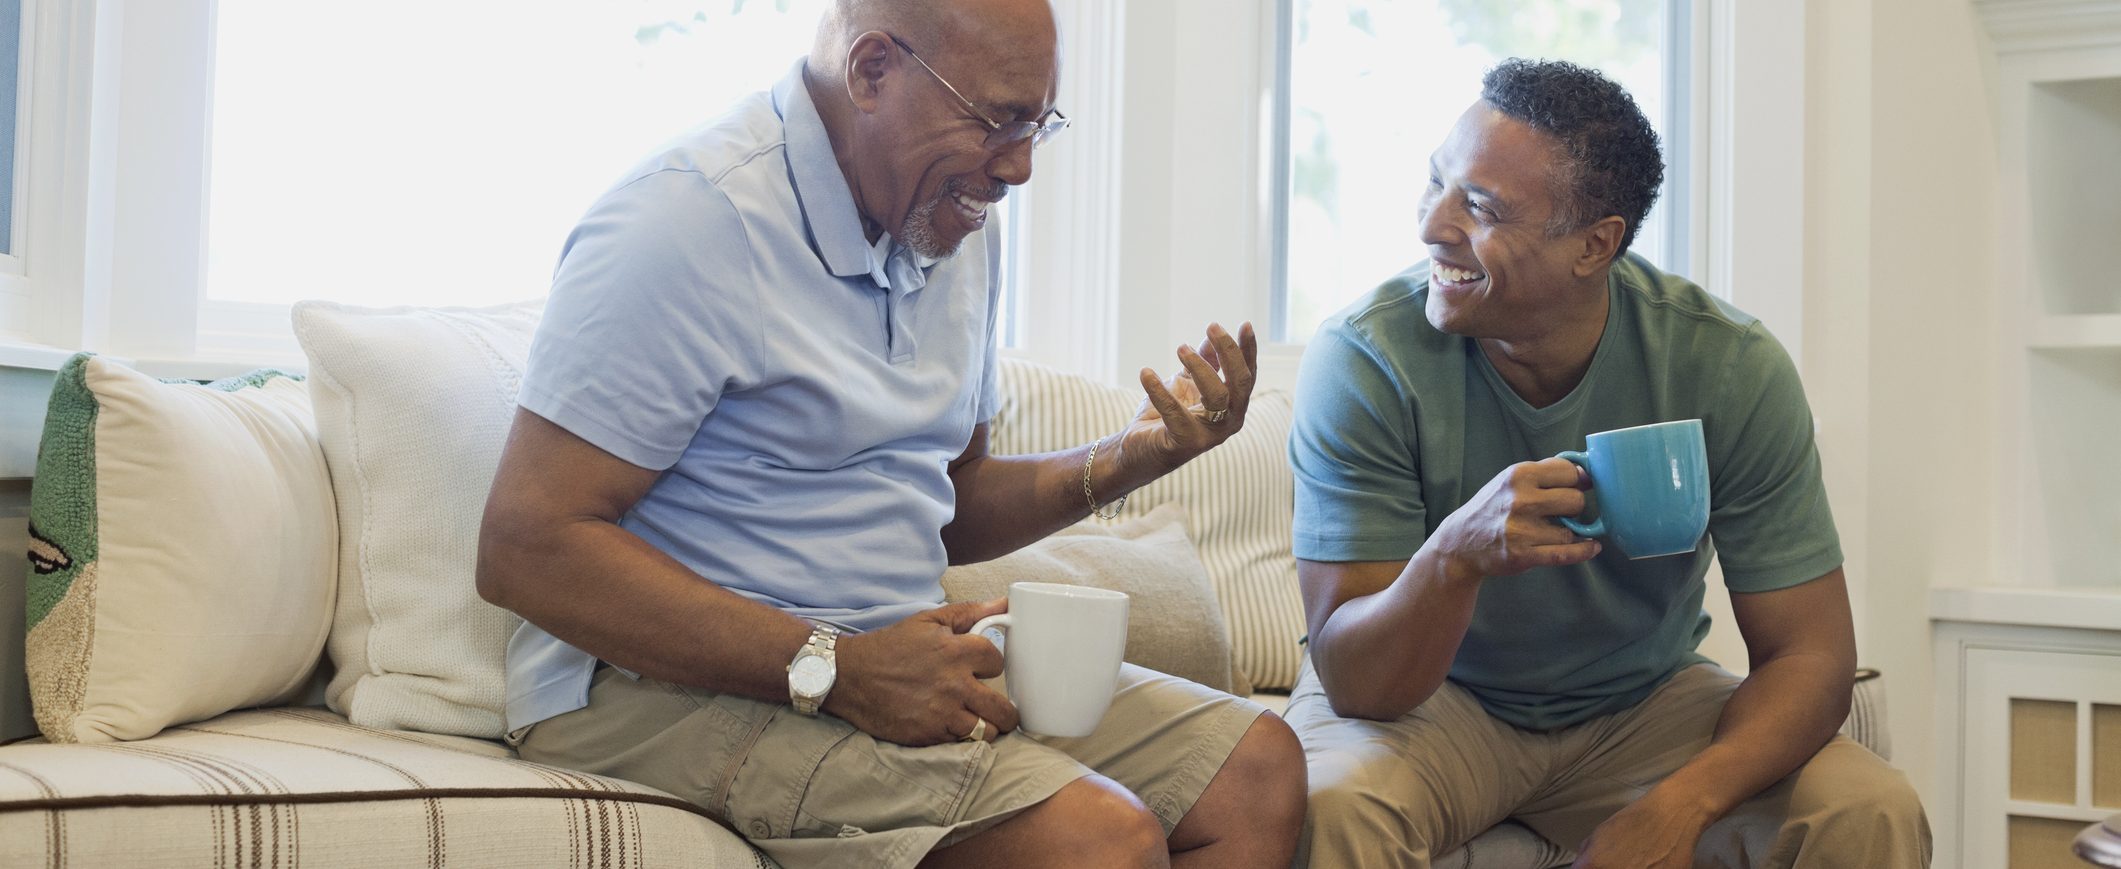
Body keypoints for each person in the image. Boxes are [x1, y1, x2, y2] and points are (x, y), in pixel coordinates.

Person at [472, 1, 1306, 867]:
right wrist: (838, 666)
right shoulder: (690, 222)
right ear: (872, 70)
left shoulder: (951, 223)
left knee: (1254, 769)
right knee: (1098, 842)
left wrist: (1132, 457)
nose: (1019, 167)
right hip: (651, 691)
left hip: (882, 656)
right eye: (997, 120)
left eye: (1038, 124)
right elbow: (525, 545)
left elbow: (950, 500)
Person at [1285, 59, 1931, 868]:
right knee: (1331, 803)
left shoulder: (1723, 364)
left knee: (1867, 807)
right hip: (1430, 708)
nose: (1431, 226)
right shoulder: (1367, 358)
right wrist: (1452, 558)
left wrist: (1680, 803)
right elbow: (1356, 682)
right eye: (1436, 183)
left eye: (1479, 206)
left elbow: (1811, 655)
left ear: (1595, 245)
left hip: (1640, 702)